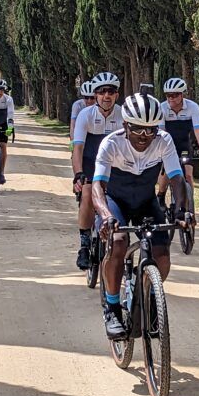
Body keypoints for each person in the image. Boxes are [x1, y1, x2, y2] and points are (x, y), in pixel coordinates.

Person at [91, 93, 193, 339]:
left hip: (145, 202)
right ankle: (112, 308)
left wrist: (181, 210)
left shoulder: (164, 140)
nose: (144, 137)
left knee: (162, 255)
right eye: (138, 129)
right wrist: (105, 216)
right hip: (116, 203)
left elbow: (177, 179)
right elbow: (97, 187)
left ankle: (148, 293)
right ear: (125, 125)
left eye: (150, 130)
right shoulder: (111, 144)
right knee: (117, 244)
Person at [72, 72, 123, 269]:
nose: (106, 96)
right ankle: (84, 245)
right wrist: (78, 173)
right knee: (87, 195)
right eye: (102, 92)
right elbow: (78, 148)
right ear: (96, 95)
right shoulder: (86, 115)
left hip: (114, 165)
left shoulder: (123, 114)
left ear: (117, 94)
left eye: (111, 91)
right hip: (90, 163)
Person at [157, 77, 199, 197]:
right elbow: (161, 132)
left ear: (182, 95)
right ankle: (161, 195)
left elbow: (198, 130)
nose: (171, 98)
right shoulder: (162, 108)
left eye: (174, 95)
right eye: (168, 95)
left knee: (188, 175)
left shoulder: (193, 107)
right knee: (165, 173)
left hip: (185, 144)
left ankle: (191, 207)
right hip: (167, 145)